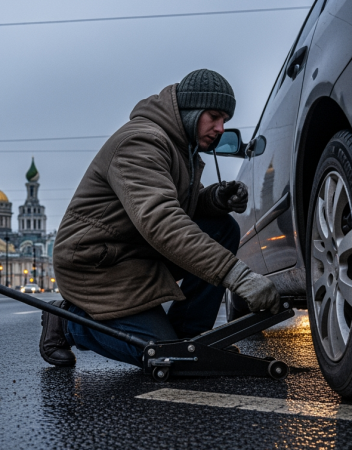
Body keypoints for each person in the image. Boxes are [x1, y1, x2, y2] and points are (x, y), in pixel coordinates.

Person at [40, 69, 281, 368]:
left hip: (135, 253)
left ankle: (193, 335)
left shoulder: (180, 148)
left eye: (225, 122)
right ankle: (67, 323)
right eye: (214, 116)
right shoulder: (140, 142)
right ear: (191, 111)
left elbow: (179, 206)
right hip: (99, 264)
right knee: (165, 355)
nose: (220, 128)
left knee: (221, 227)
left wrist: (214, 199)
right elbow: (160, 219)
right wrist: (238, 276)